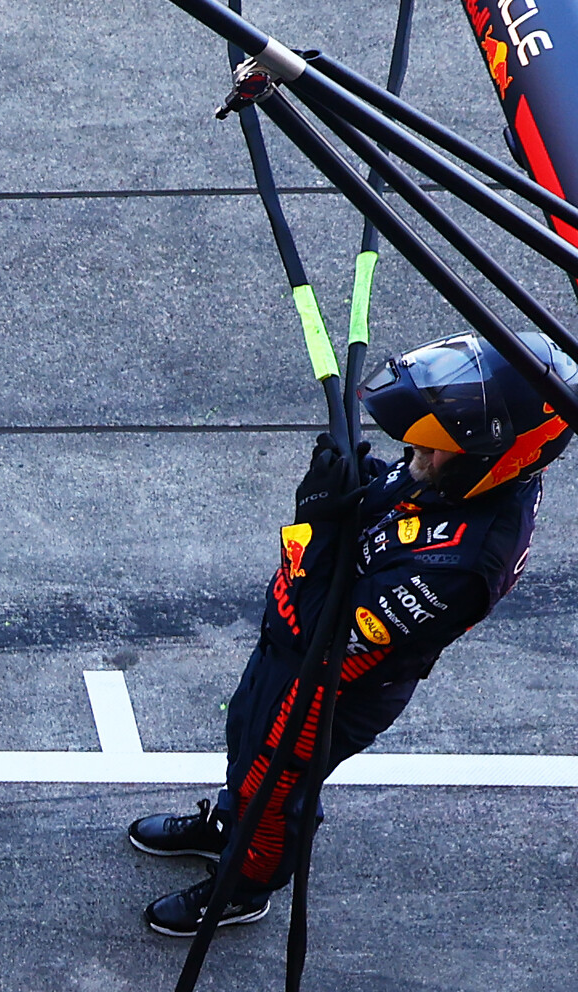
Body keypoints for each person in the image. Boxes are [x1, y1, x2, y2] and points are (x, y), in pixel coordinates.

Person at [127, 332, 562, 936]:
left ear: (491, 457)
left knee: (274, 788)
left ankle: (246, 886)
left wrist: (316, 519)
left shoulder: (465, 567)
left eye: (435, 448)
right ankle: (228, 823)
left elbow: (325, 634)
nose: (416, 453)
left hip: (330, 685)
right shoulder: (459, 470)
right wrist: (353, 475)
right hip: (287, 647)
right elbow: (394, 503)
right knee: (244, 740)